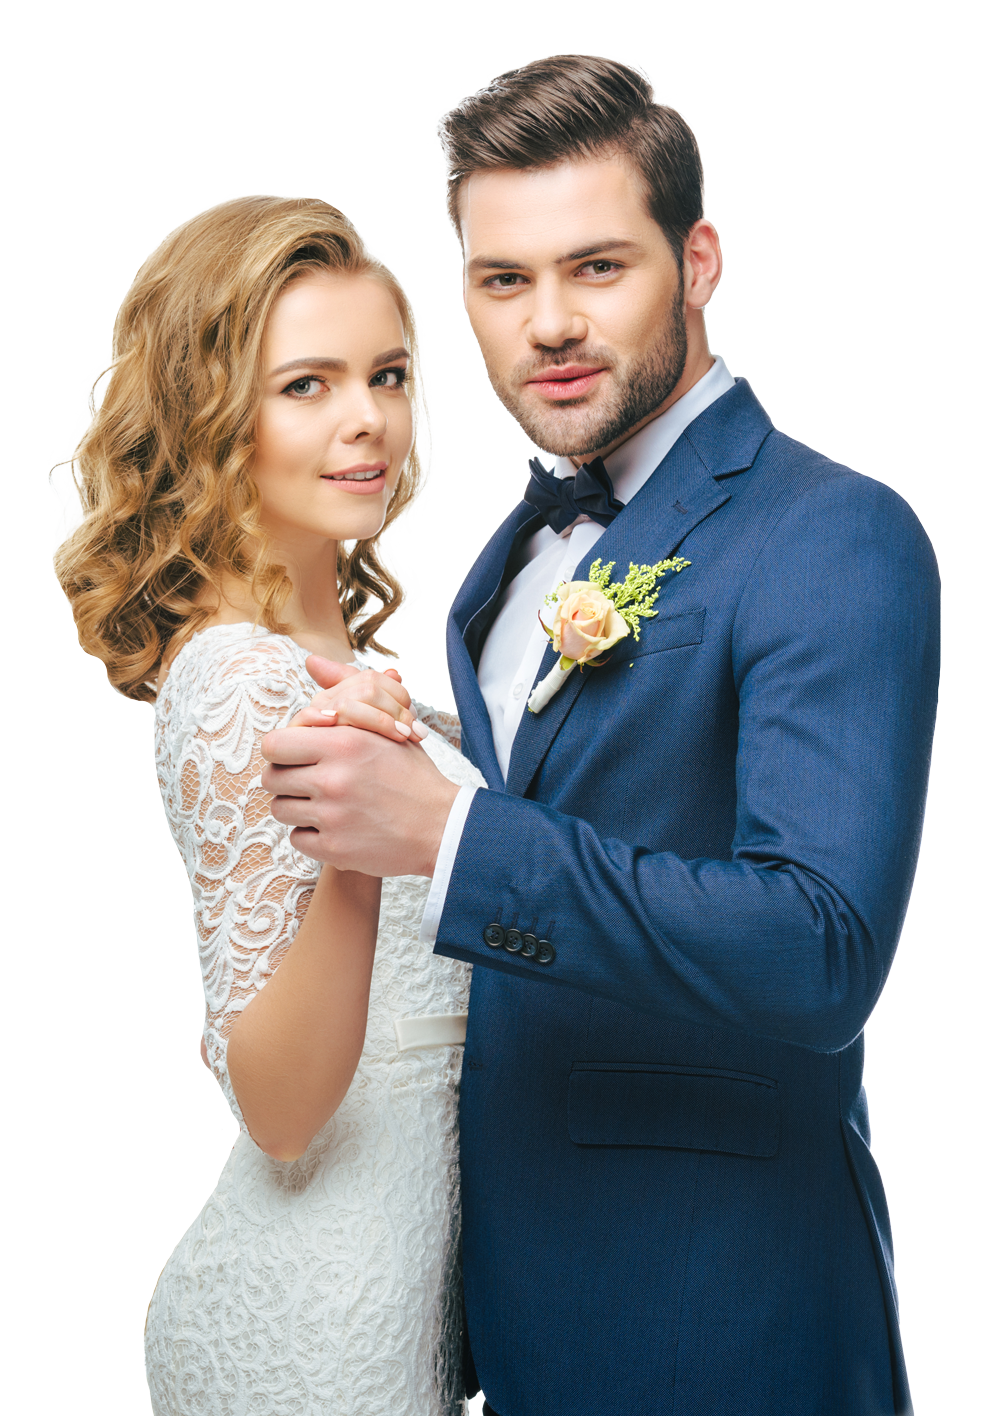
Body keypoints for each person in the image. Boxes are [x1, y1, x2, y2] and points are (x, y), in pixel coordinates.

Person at [261, 56, 940, 1416]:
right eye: (503, 281)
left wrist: (453, 837)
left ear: (699, 260)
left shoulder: (835, 533)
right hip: (509, 1317)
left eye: (599, 267)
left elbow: (820, 947)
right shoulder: (506, 562)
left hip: (726, 1317)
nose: (551, 323)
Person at [54, 194, 483, 1415]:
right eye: (309, 385)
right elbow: (283, 1108)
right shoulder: (239, 678)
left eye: (388, 374)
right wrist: (360, 847)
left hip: (408, 1281)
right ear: (213, 419)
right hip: (327, 1313)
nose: (368, 420)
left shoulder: (338, 664)